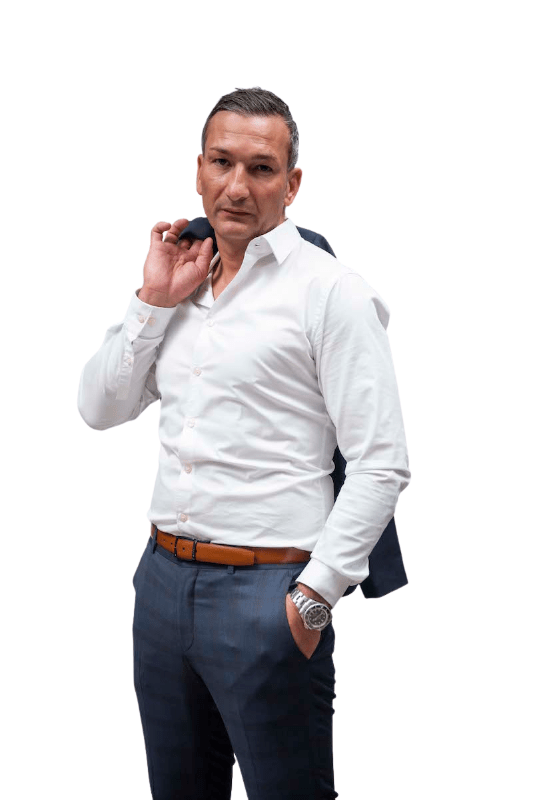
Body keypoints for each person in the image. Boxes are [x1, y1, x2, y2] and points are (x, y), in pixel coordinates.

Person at [78, 87, 411, 800]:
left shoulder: (331, 293)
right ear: (198, 169)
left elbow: (380, 462)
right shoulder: (179, 282)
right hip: (161, 586)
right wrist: (151, 302)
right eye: (221, 162)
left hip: (268, 596)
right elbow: (99, 408)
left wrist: (312, 600)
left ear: (291, 184)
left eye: (261, 169)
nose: (236, 186)